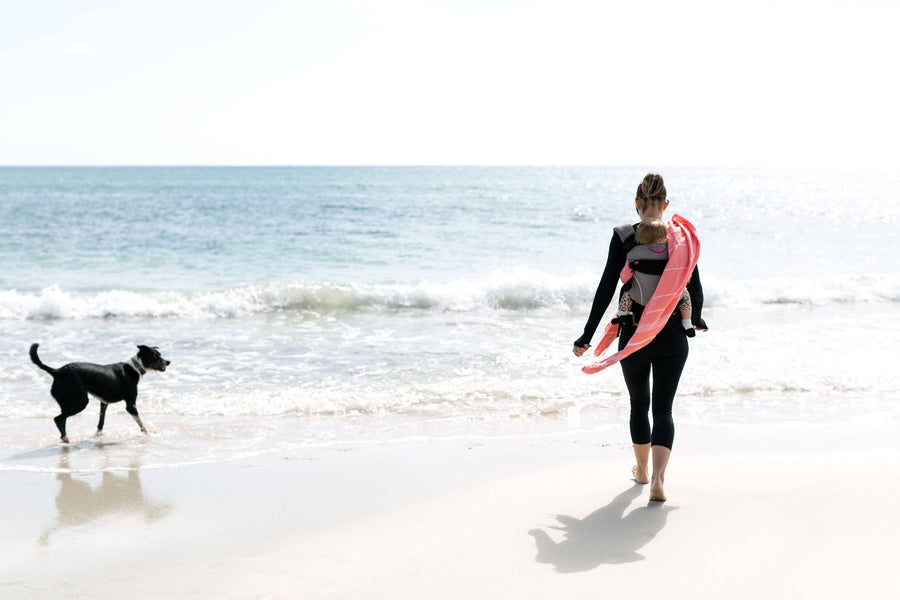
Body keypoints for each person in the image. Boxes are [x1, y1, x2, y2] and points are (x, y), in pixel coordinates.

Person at [573, 172, 707, 502]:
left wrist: (587, 336)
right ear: (665, 205)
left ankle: (643, 472)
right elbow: (695, 288)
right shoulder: (682, 239)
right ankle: (660, 480)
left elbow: (607, 288)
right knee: (664, 410)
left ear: (637, 204)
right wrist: (698, 318)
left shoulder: (624, 237)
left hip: (634, 336)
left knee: (639, 406)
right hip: (673, 335)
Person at [613, 218, 695, 338]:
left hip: (641, 299)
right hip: (667, 300)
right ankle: (687, 322)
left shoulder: (633, 253)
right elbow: (685, 277)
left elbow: (624, 278)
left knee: (627, 292)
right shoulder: (673, 254)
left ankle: (621, 313)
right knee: (685, 295)